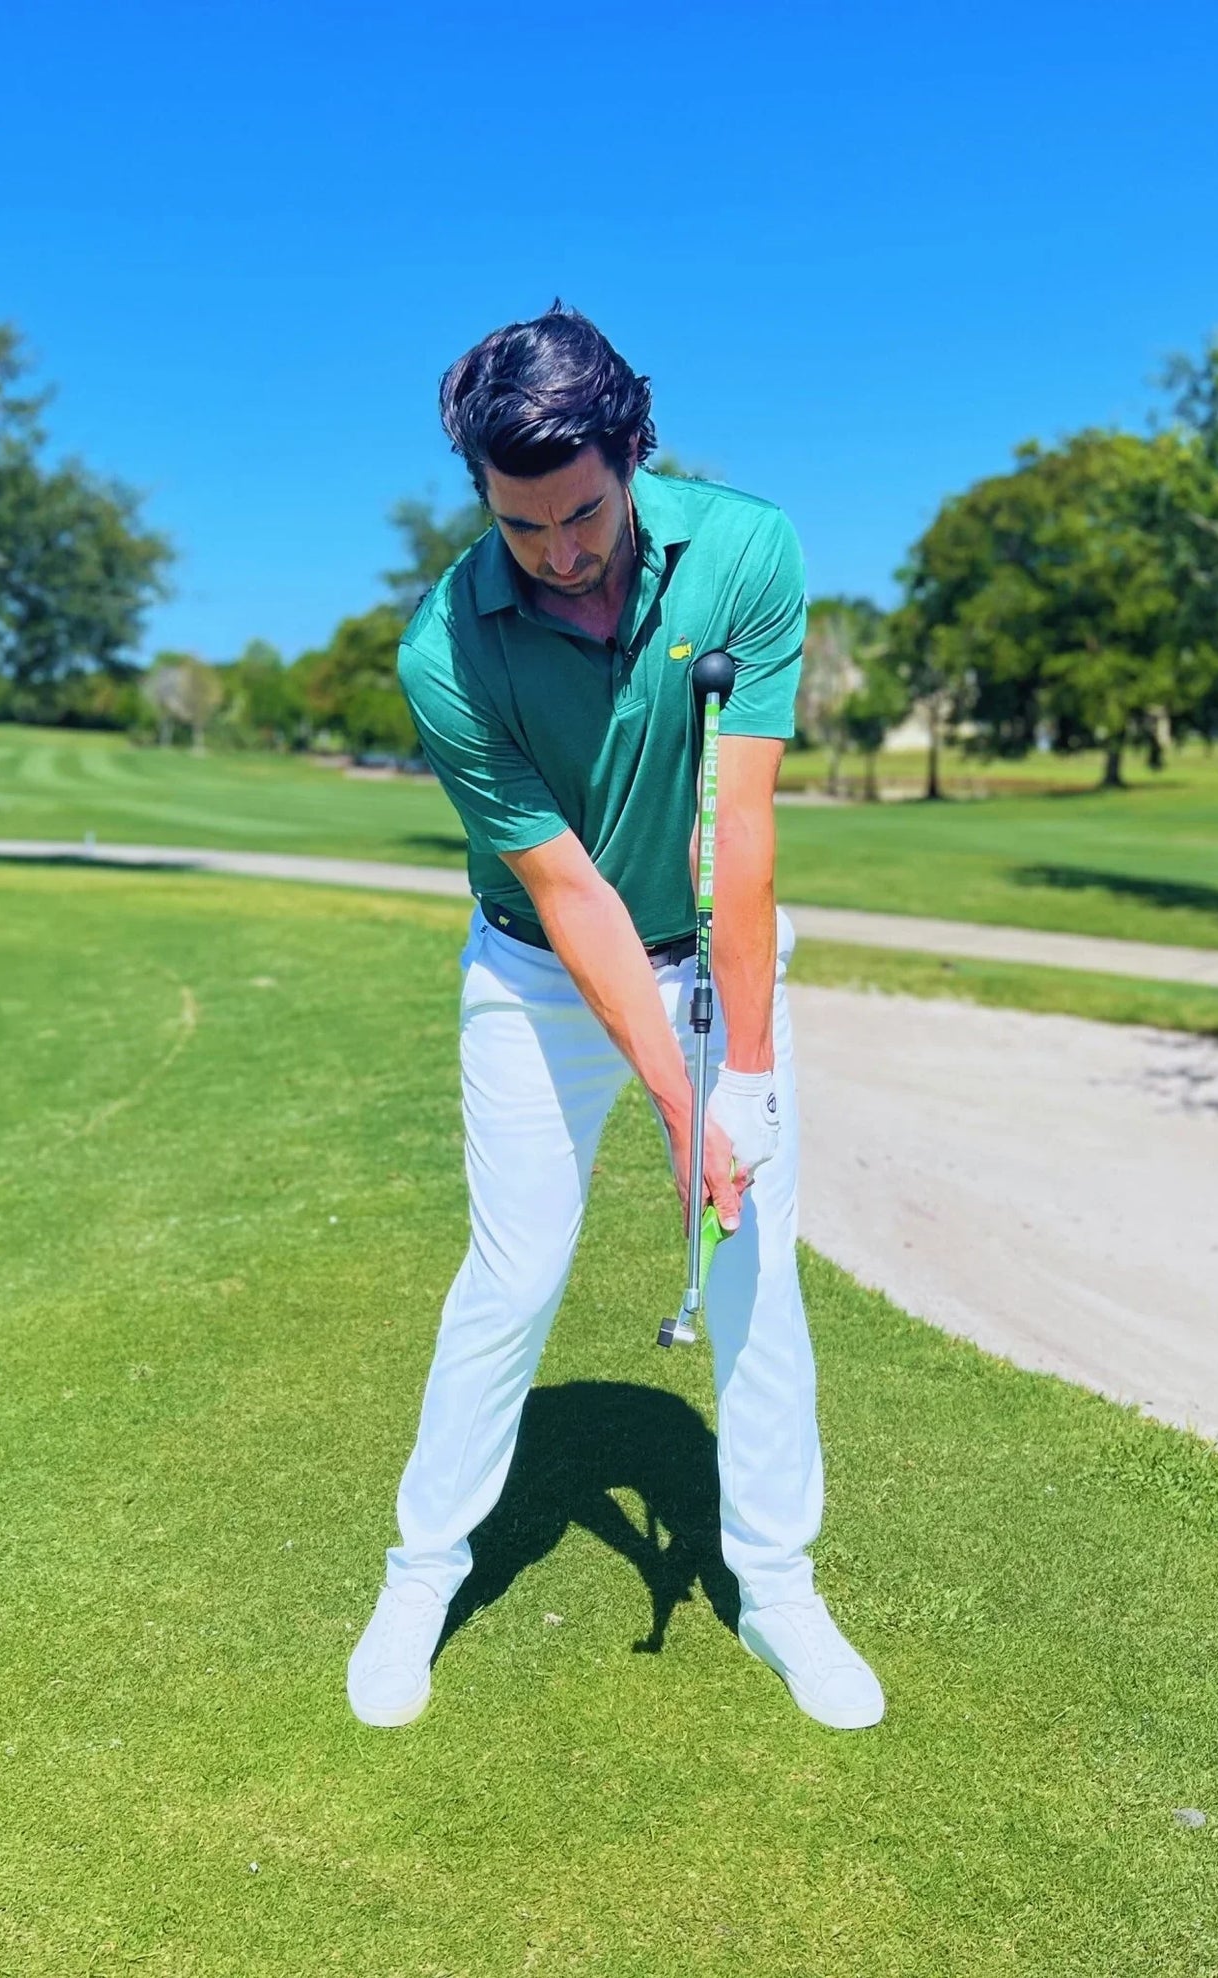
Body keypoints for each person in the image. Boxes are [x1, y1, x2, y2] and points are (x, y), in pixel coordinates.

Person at [346, 303, 883, 1732]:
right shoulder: (445, 653)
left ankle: (777, 1585)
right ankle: (420, 1573)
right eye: (523, 527)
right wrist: (672, 1098)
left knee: (754, 1255)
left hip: (708, 951)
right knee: (515, 1274)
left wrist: (745, 1079)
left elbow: (745, 825)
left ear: (632, 452)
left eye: (582, 513)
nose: (561, 552)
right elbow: (571, 896)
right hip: (534, 970)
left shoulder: (750, 552)